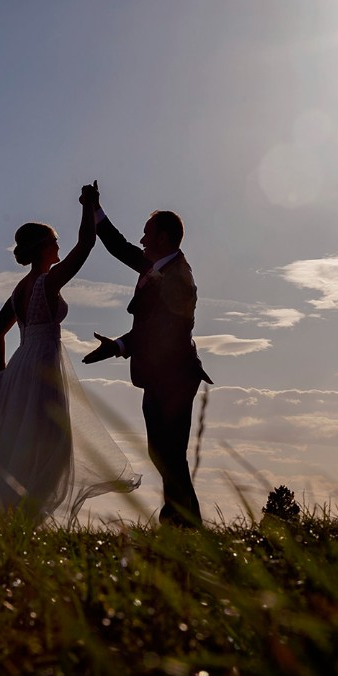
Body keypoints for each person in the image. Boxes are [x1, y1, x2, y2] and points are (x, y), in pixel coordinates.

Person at [0, 185, 141, 521]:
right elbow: (86, 245)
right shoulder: (47, 282)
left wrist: (2, 375)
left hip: (20, 367)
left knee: (20, 443)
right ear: (44, 248)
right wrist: (89, 207)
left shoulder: (20, 290)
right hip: (42, 368)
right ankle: (22, 517)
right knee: (51, 445)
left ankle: (13, 517)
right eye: (55, 239)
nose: (59, 244)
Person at [83, 184, 211, 527]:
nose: (141, 241)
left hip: (176, 378)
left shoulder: (179, 279)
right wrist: (95, 208)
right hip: (159, 376)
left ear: (165, 238)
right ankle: (180, 520)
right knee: (163, 453)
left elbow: (161, 332)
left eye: (147, 234)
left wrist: (119, 346)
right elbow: (119, 247)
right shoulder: (155, 266)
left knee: (170, 455)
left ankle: (184, 523)